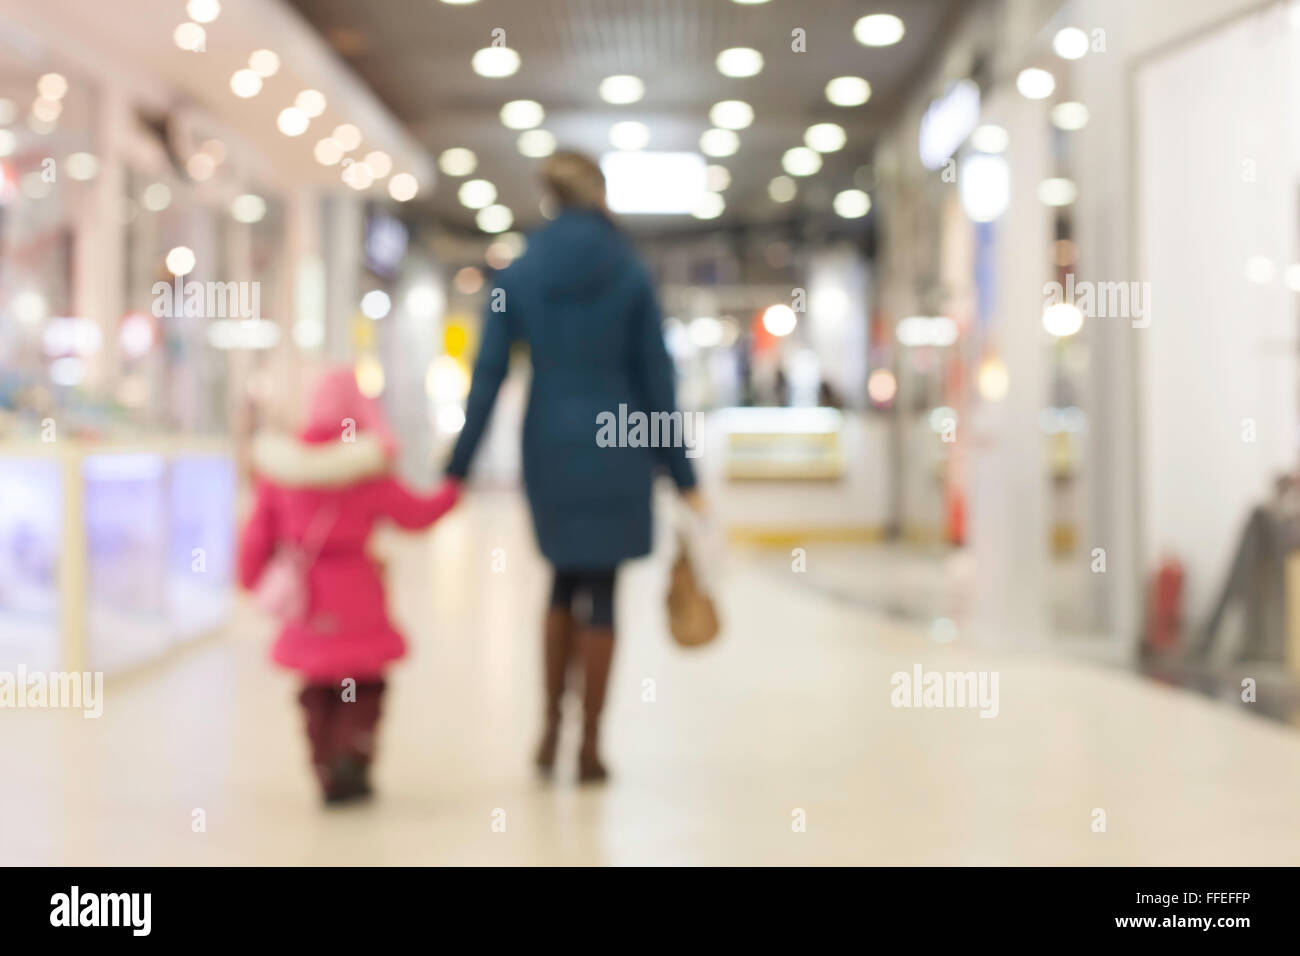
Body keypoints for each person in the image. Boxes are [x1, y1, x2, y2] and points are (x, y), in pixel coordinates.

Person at [446, 150, 701, 782]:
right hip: (619, 444)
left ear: (550, 199)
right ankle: (590, 747)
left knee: (561, 581)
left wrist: (457, 468)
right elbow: (657, 384)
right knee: (605, 590)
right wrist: (684, 475)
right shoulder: (631, 273)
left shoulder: (520, 276)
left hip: (551, 442)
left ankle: (547, 732)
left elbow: (487, 377)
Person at [238, 367, 459, 805]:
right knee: (362, 686)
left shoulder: (281, 470)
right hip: (358, 595)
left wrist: (250, 578)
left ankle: (323, 760)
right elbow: (416, 514)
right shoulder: (367, 469)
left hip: (309, 598)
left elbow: (256, 536)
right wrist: (454, 489)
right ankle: (352, 754)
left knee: (317, 687)